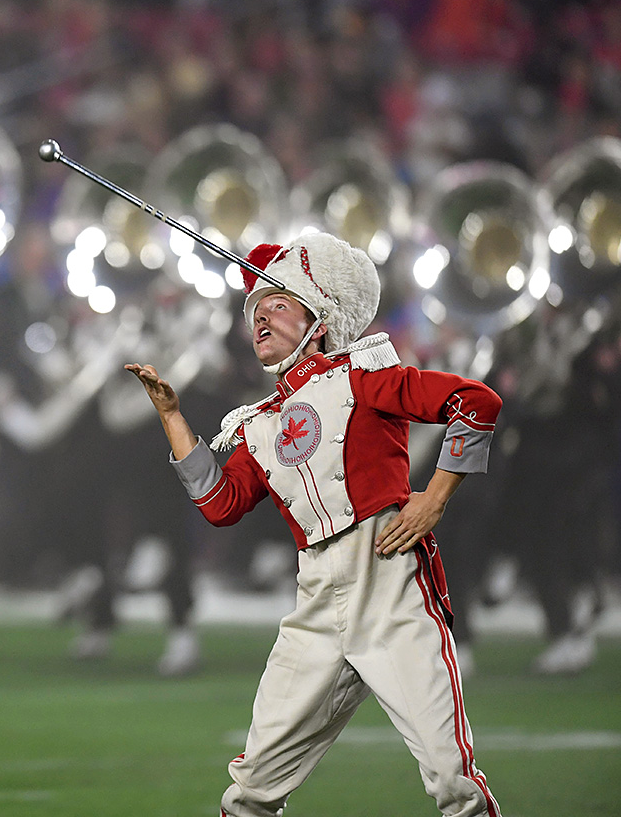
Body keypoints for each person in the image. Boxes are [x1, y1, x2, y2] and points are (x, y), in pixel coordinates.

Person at [126, 231, 503, 817]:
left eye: (278, 303)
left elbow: (476, 402)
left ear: (319, 319)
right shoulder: (258, 423)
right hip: (315, 599)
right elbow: (220, 503)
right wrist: (173, 418)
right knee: (252, 789)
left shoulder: (364, 377)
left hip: (390, 586)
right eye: (255, 310)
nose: (260, 317)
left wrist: (433, 497)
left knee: (453, 783)